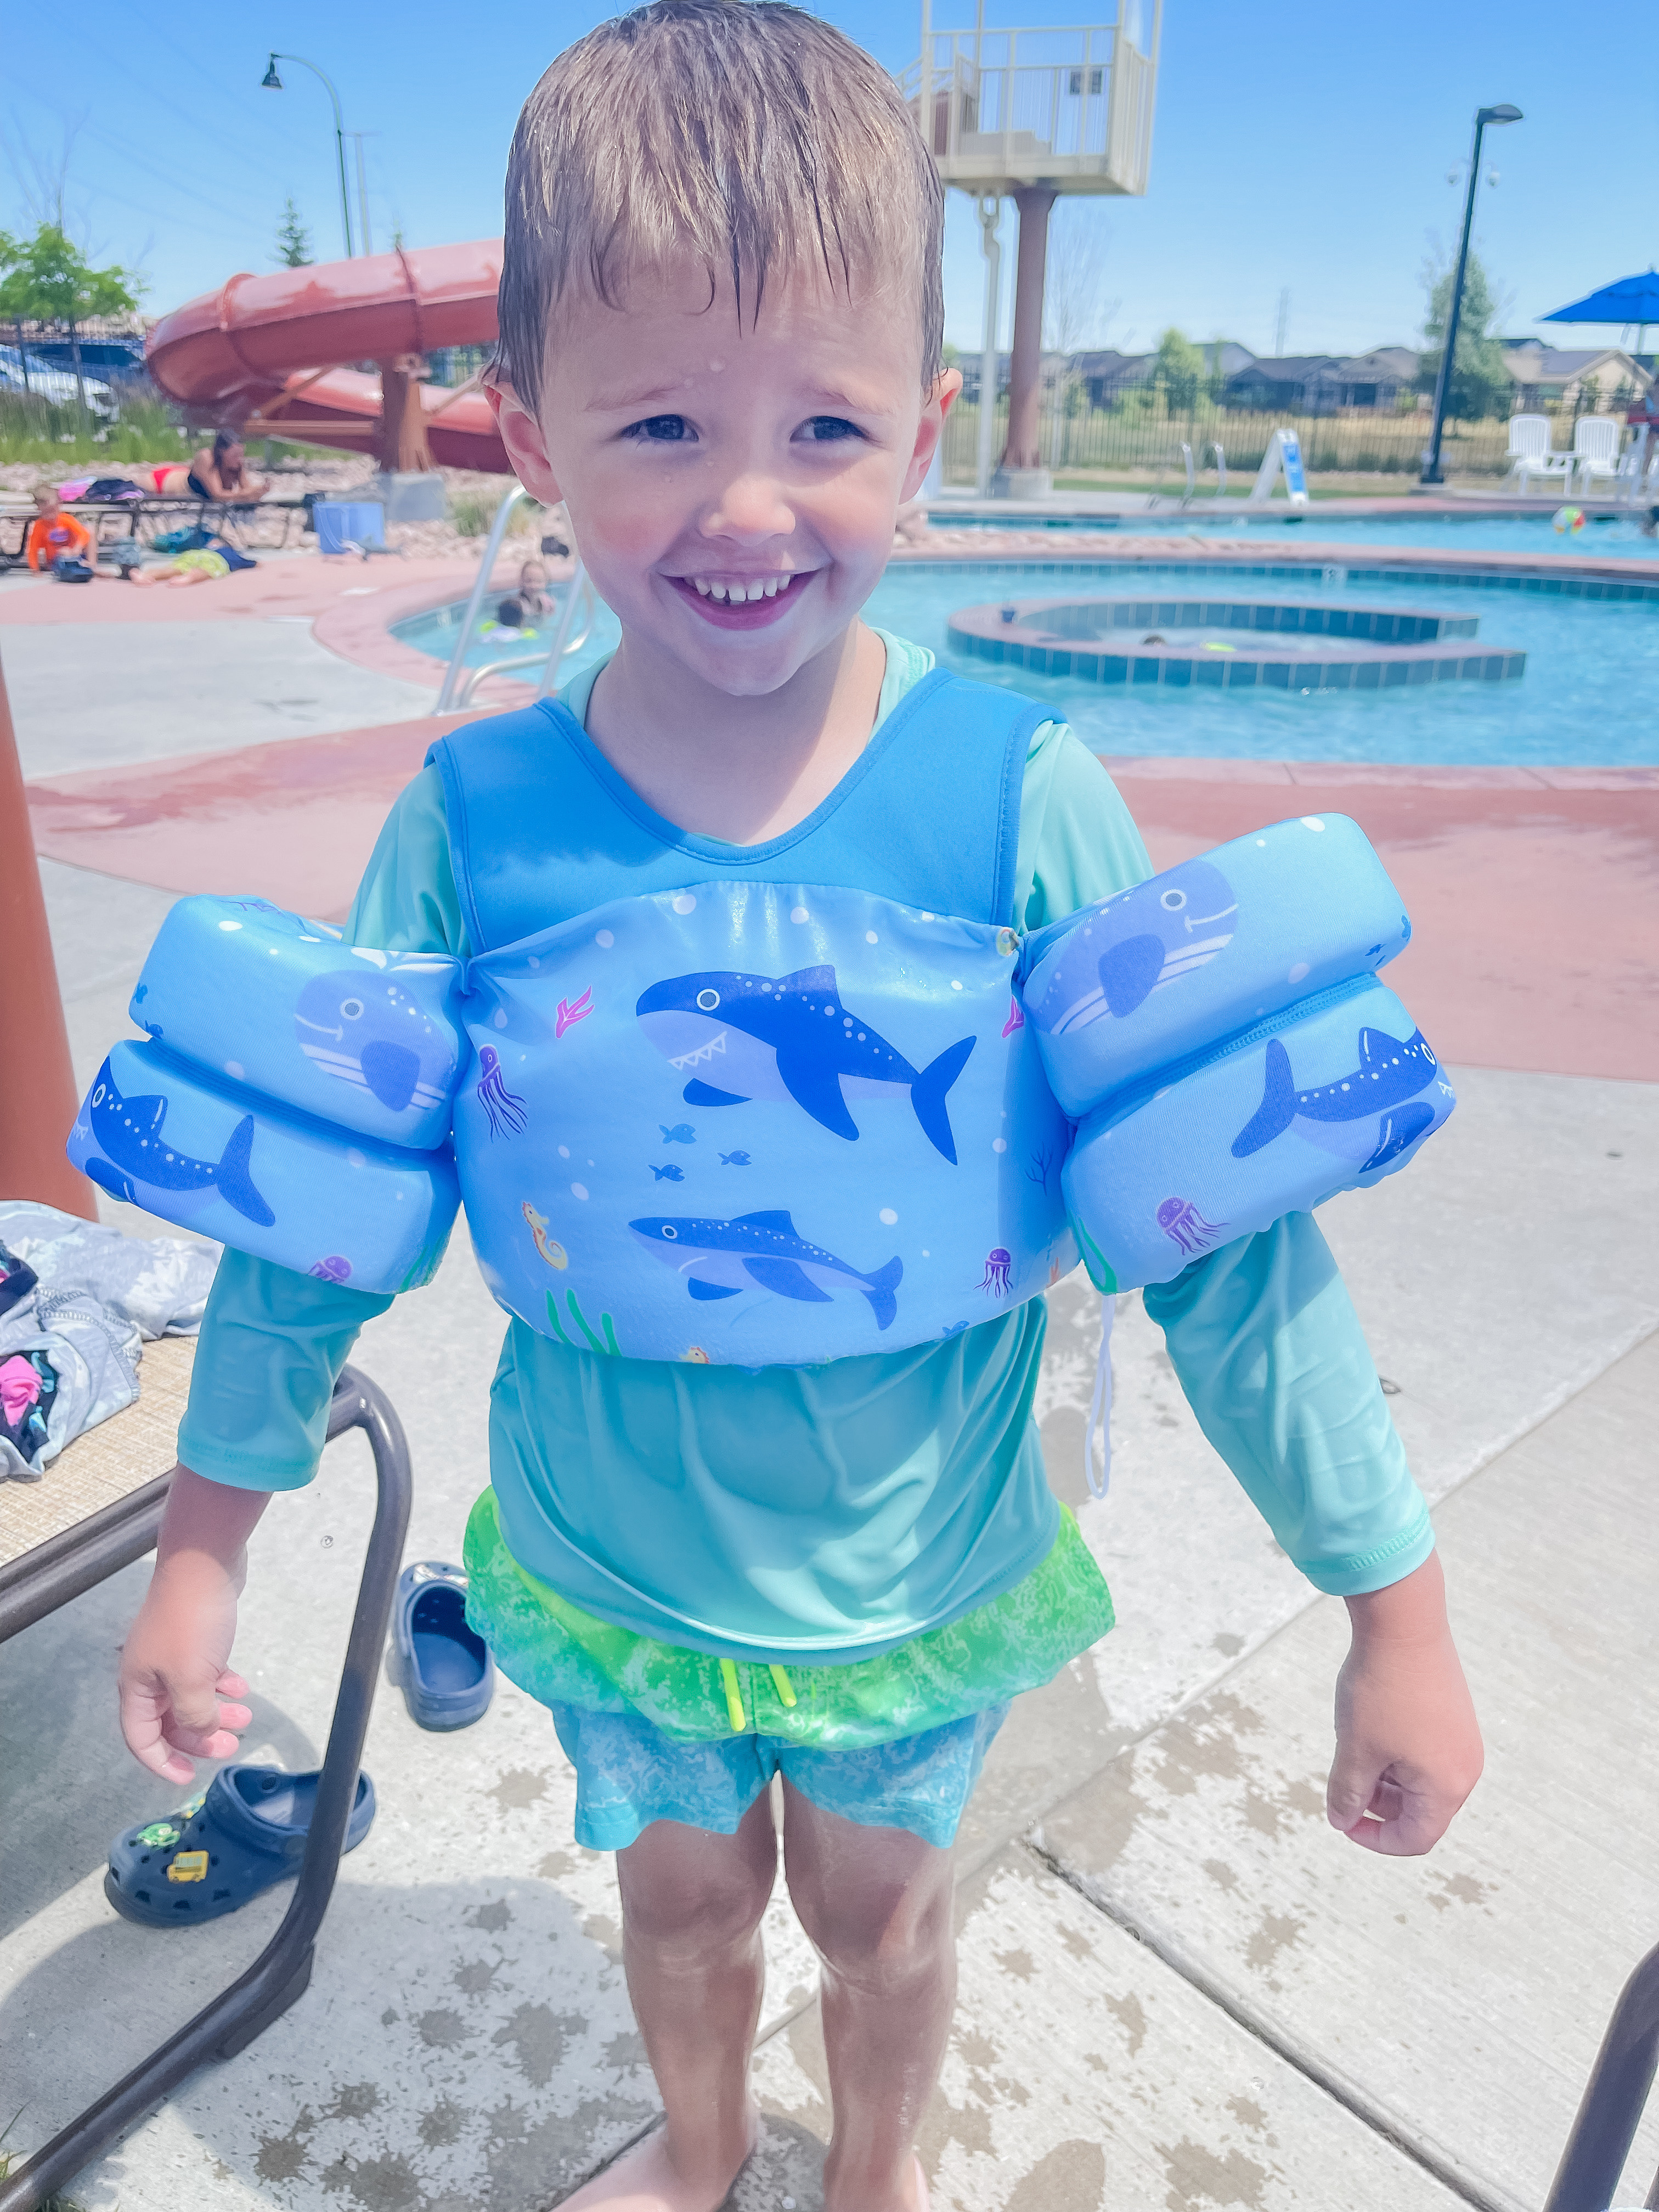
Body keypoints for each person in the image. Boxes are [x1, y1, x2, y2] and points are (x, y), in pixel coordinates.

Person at [114, 9, 1483, 2210]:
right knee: (673, 1907)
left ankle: (869, 2173)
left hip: (914, 1579)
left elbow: (1230, 1242)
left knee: (881, 1919)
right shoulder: (478, 821)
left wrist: (1388, 1602)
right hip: (608, 1561)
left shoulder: (1022, 804)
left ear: (924, 439)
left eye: (825, 423)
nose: (749, 502)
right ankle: (693, 2146)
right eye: (659, 421)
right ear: (528, 446)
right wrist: (203, 1547)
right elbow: (316, 1208)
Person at [151, 429, 268, 505]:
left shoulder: (237, 464)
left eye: (241, 455)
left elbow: (246, 490)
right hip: (165, 483)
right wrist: (248, 493)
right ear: (222, 451)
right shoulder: (206, 457)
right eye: (235, 455)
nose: (239, 459)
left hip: (181, 475)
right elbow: (217, 495)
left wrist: (260, 491)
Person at [24, 484, 95, 579]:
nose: (50, 515)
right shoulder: (39, 526)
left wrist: (78, 547)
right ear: (39, 509)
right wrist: (35, 570)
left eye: (52, 510)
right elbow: (33, 549)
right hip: (56, 560)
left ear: (58, 506)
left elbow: (84, 534)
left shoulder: (65, 519)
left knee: (90, 530)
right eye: (46, 512)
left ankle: (91, 565)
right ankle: (79, 569)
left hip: (74, 554)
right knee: (64, 551)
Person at [497, 554, 556, 627]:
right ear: (521, 581)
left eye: (539, 582)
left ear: (546, 583)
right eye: (529, 581)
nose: (534, 586)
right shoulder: (518, 606)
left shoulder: (548, 602)